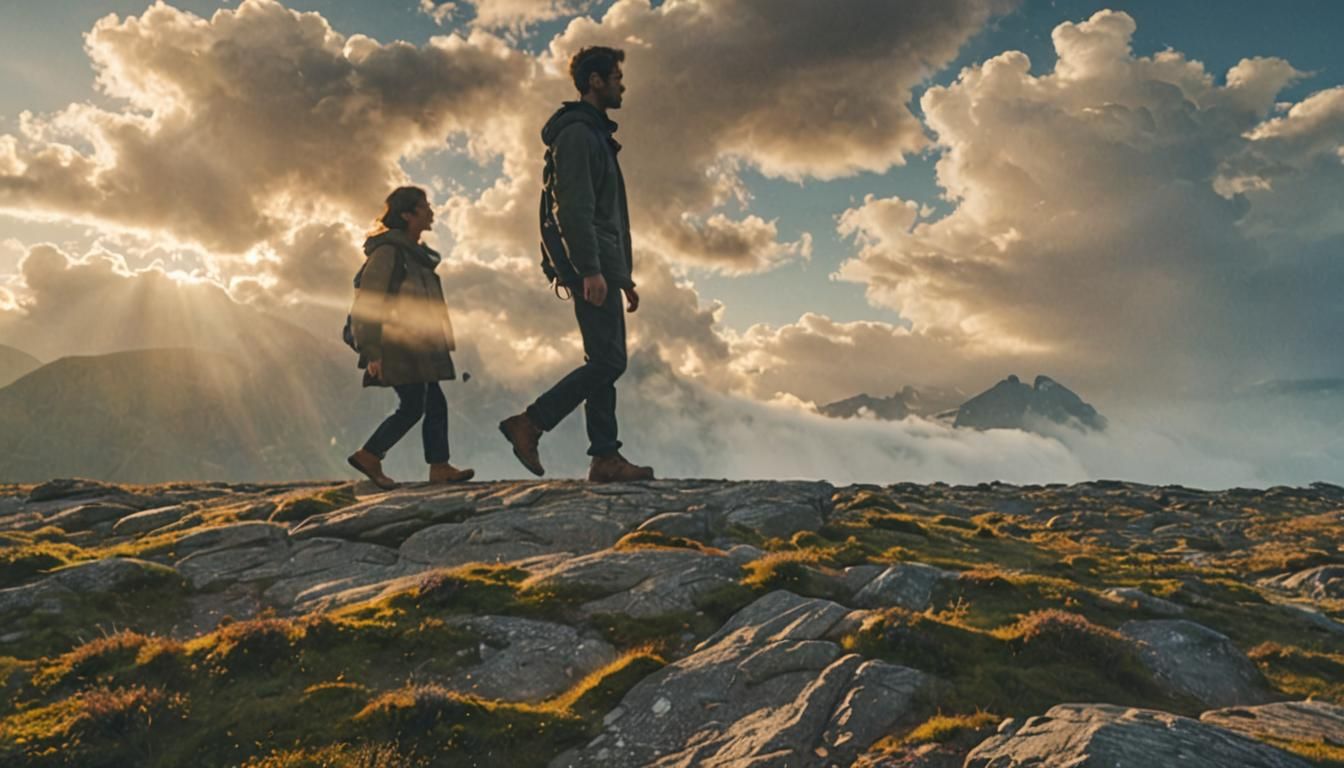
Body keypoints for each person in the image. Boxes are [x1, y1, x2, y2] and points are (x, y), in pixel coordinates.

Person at [498, 45, 655, 483]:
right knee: (609, 362)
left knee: (604, 359)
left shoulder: (595, 135)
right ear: (595, 81)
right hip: (592, 265)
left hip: (602, 265)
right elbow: (574, 210)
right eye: (617, 77)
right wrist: (590, 269)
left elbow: (604, 216)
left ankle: (605, 458)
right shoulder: (578, 136)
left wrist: (621, 276)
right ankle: (530, 423)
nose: (623, 86)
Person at [347, 186, 474, 489]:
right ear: (407, 215)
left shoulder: (414, 255)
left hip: (418, 344)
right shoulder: (389, 252)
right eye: (424, 206)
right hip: (397, 344)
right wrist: (372, 350)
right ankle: (371, 454)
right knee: (416, 405)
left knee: (430, 402)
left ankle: (438, 466)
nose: (431, 211)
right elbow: (369, 301)